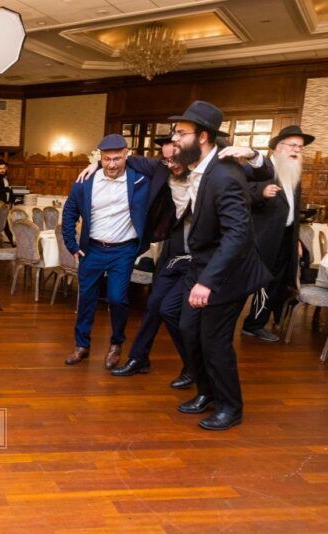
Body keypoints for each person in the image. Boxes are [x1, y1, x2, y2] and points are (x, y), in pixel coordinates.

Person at [108, 138, 275, 388]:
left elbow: (258, 173)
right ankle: (139, 358)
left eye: (175, 159)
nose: (170, 164)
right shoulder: (163, 168)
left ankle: (193, 367)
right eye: (166, 159)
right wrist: (92, 166)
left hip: (201, 260)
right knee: (153, 305)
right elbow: (120, 159)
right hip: (174, 253)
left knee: (171, 311)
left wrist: (251, 154)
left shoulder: (213, 172)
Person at [170, 100, 271, 431]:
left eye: (180, 133)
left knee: (214, 340)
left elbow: (237, 234)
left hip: (227, 273)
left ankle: (231, 407)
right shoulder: (201, 165)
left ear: (202, 136)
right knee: (188, 329)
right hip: (201, 265)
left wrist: (208, 282)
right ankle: (207, 392)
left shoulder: (226, 173)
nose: (174, 139)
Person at [62, 134, 150, 370]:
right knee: (86, 299)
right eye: (107, 159)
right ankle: (82, 345)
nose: (111, 164)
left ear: (126, 155)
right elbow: (69, 212)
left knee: (117, 298)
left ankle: (116, 344)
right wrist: (71, 244)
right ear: (99, 158)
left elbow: (162, 169)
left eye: (117, 158)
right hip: (92, 249)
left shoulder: (140, 180)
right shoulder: (85, 181)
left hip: (124, 250)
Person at [241, 125, 313, 342]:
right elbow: (239, 196)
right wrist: (261, 194)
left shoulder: (293, 171)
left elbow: (292, 210)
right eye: (293, 145)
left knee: (273, 283)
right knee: (245, 282)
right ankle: (220, 323)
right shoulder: (258, 169)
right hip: (258, 239)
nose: (297, 150)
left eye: (300, 147)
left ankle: (254, 324)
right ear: (278, 147)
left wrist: (295, 239)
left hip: (284, 238)